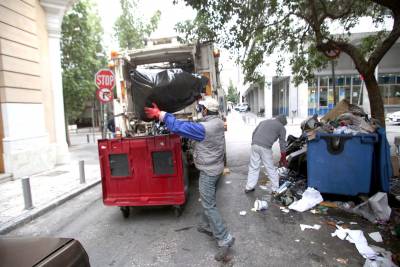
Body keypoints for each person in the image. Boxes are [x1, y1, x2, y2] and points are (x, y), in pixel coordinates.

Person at [144, 97, 235, 259]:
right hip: (216, 168)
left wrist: (161, 114)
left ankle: (224, 238)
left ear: (206, 111)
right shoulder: (219, 123)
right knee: (209, 200)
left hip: (209, 171)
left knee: (209, 205)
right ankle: (206, 224)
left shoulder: (203, 129)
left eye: (202, 108)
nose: (201, 110)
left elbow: (179, 127)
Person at [245, 114, 288, 193]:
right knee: (270, 168)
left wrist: (255, 142)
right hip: (265, 147)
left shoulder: (264, 121)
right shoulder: (282, 127)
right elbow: (282, 143)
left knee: (254, 167)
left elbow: (254, 132)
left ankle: (249, 187)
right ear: (283, 122)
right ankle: (275, 188)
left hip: (254, 144)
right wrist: (283, 156)